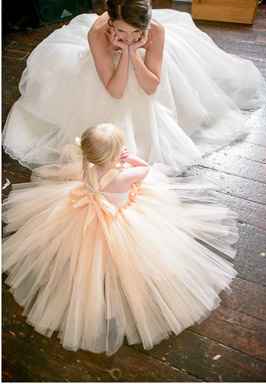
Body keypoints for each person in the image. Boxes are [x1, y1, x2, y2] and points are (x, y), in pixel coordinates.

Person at [2, 123, 239, 355]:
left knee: (90, 256)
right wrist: (130, 159)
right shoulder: (121, 178)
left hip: (89, 213)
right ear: (115, 155)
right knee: (130, 257)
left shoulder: (89, 166)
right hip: (119, 218)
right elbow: (145, 169)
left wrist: (115, 162)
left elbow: (105, 173)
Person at [3, 0, 264, 174]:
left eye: (137, 31)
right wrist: (128, 51)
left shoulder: (155, 32)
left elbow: (151, 87)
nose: (129, 37)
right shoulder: (97, 34)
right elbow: (115, 91)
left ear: (147, 23)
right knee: (112, 92)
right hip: (105, 80)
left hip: (142, 69)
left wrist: (133, 51)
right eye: (121, 31)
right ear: (111, 24)